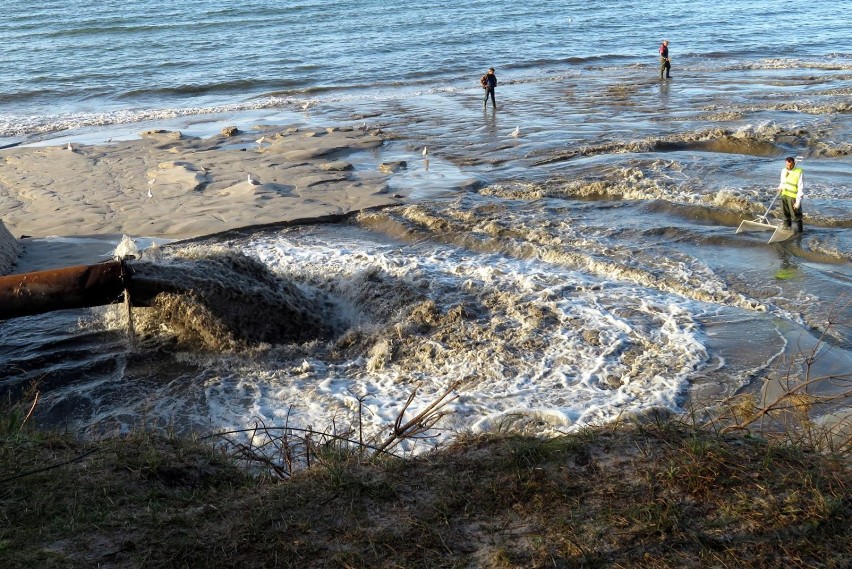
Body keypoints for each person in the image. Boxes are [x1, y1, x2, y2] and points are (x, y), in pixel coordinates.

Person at [777, 156, 804, 232]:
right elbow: (782, 182)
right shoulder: (783, 171)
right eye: (787, 165)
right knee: (785, 215)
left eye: (790, 165)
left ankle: (800, 232)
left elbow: (801, 187)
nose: (788, 167)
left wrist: (798, 202)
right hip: (784, 195)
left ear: (794, 163)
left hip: (793, 197)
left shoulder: (798, 172)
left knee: (796, 216)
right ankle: (787, 230)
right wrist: (780, 187)